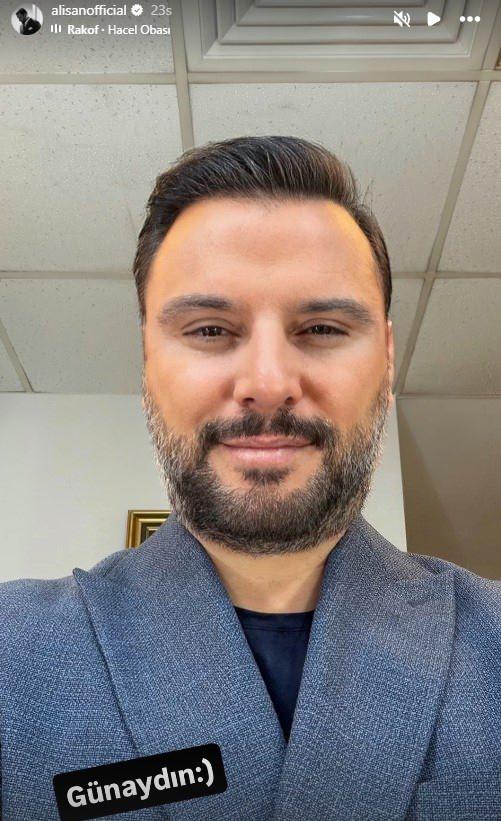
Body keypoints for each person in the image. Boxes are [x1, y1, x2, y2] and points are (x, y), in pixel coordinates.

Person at [1, 136, 501, 820]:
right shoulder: (13, 651)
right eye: (210, 330)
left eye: (322, 327)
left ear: (386, 362)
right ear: (148, 364)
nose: (267, 383)